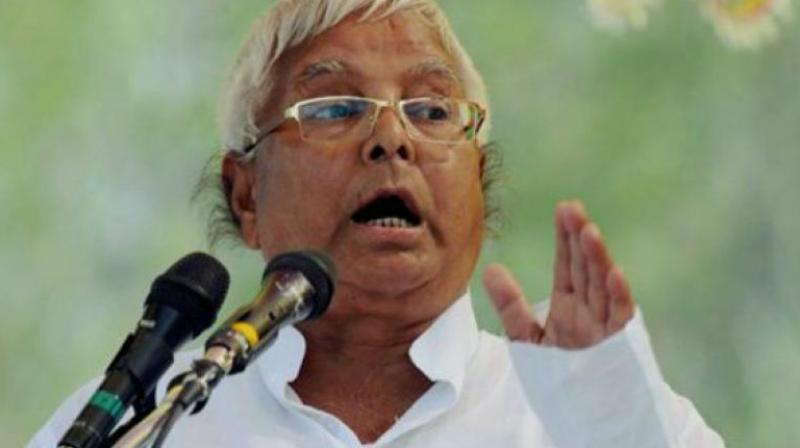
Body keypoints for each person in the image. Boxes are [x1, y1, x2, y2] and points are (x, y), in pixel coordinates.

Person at [29, 0, 725, 446]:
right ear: (245, 196)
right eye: (334, 108)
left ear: (478, 184)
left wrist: (610, 424)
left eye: (432, 111)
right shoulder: (151, 422)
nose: (392, 139)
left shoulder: (587, 413)